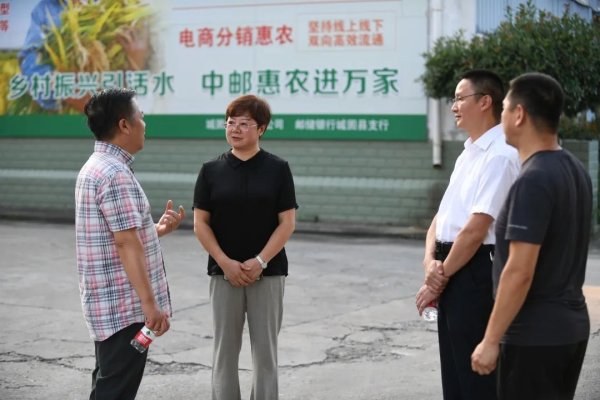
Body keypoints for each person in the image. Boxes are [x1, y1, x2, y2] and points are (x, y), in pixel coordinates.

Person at [471, 73, 592, 400]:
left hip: (533, 336)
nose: (502, 117)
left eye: (504, 109)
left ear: (519, 114)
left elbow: (519, 271)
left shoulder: (533, 180)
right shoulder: (575, 169)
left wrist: (490, 339)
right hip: (570, 329)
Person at [415, 69, 520, 399]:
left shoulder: (501, 155)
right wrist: (430, 263)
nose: (454, 106)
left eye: (460, 98)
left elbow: (476, 229)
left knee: (476, 377)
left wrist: (439, 277)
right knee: (455, 372)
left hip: (475, 271)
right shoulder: (468, 153)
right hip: (450, 266)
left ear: (485, 101)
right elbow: (441, 218)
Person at [75, 87, 185, 399]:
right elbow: (125, 243)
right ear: (124, 124)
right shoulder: (115, 175)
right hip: (123, 306)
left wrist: (154, 230)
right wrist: (149, 305)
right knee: (115, 390)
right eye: (141, 117)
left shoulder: (96, 166)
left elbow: (115, 236)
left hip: (106, 302)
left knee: (107, 382)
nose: (145, 124)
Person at [193, 94, 297, 400]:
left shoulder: (278, 169)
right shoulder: (210, 170)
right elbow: (200, 224)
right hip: (223, 273)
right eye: (230, 123)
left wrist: (260, 261)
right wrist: (224, 262)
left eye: (244, 123)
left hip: (268, 272)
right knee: (224, 351)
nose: (235, 129)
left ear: (261, 129)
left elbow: (287, 223)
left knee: (265, 352)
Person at [19, 0, 150, 113]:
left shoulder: (123, 6)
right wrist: (68, 90)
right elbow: (31, 64)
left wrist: (137, 62)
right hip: (72, 117)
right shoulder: (45, 9)